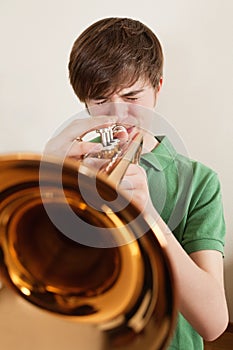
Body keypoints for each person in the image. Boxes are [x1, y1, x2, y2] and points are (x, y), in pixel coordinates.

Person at [45, 17, 229, 349]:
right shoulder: (70, 171)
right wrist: (43, 185)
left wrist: (147, 216)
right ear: (84, 102)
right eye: (101, 100)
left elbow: (213, 323)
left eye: (132, 97)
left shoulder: (199, 181)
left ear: (158, 88)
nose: (118, 116)